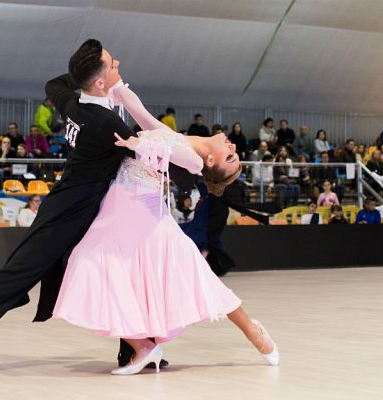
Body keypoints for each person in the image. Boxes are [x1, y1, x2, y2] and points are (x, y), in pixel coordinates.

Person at [0, 40, 160, 381]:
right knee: (13, 277)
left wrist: (82, 72)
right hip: (67, 216)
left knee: (118, 273)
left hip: (95, 211)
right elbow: (149, 147)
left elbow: (54, 85)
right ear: (101, 82)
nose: (118, 61)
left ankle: (134, 346)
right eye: (110, 63)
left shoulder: (74, 103)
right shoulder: (106, 124)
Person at [54, 80, 277, 376]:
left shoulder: (196, 160)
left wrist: (139, 143)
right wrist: (118, 88)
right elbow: (144, 117)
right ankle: (152, 346)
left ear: (211, 161)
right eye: (234, 154)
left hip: (133, 209)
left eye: (230, 157)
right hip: (130, 207)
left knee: (92, 265)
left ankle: (149, 347)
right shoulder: (188, 140)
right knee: (182, 276)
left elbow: (173, 153)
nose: (233, 147)